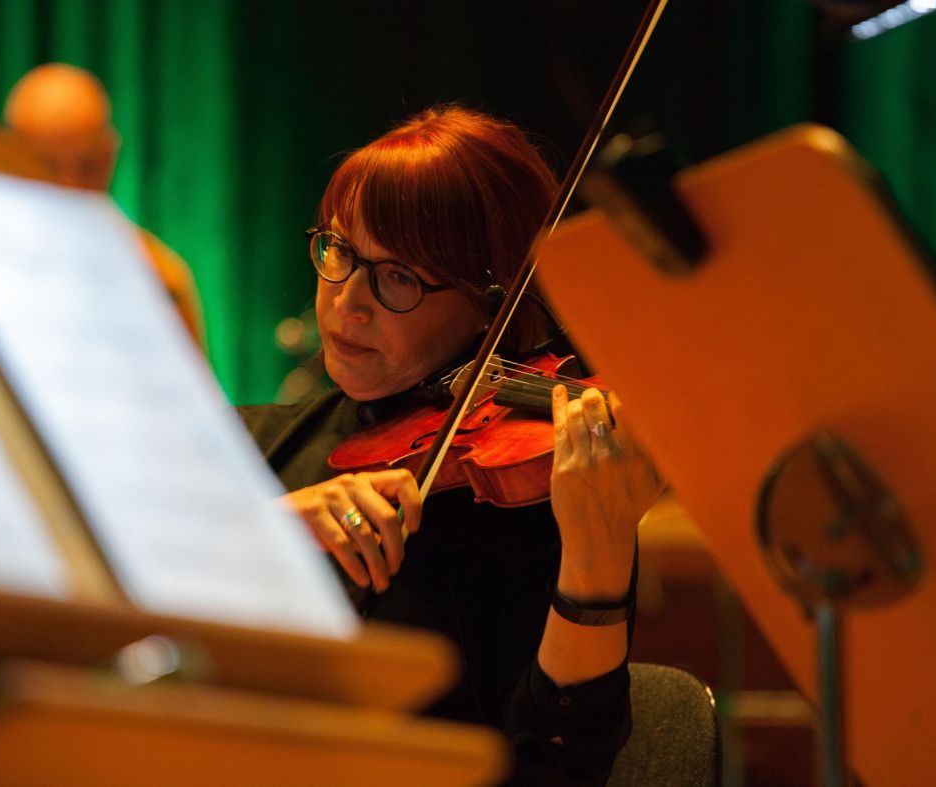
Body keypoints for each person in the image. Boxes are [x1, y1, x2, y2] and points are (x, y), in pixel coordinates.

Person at [238, 106, 665, 785]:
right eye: (339, 251)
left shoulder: (545, 503)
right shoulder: (249, 446)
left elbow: (552, 768)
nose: (349, 300)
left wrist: (596, 557)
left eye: (399, 276)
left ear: (489, 304)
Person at [3, 63, 205, 347]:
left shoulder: (161, 280)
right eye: (47, 168)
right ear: (5, 156)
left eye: (87, 167)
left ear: (110, 156)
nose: (69, 187)